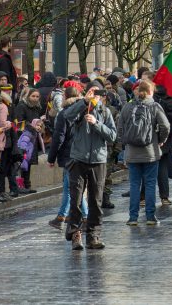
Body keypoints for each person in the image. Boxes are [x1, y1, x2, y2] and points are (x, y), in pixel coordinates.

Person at [60, 87, 117, 250]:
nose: (94, 99)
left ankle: (93, 236)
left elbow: (112, 136)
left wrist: (96, 123)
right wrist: (83, 102)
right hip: (78, 159)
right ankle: (76, 234)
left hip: (98, 160)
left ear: (102, 98)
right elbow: (67, 116)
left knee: (95, 200)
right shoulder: (80, 109)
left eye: (97, 96)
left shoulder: (105, 112)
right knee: (76, 199)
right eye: (92, 95)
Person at [117, 79, 170, 227]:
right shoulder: (154, 106)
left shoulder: (127, 107)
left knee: (134, 184)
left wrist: (125, 142)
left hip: (132, 152)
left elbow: (119, 127)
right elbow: (165, 125)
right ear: (149, 92)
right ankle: (150, 216)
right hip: (150, 151)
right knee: (150, 184)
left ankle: (133, 218)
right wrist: (160, 140)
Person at [46, 90, 87, 230]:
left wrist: (51, 157)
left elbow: (58, 138)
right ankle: (61, 217)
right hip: (81, 153)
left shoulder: (64, 114)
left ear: (65, 97)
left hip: (69, 155)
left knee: (72, 188)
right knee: (70, 187)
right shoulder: (85, 110)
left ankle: (81, 217)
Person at [155, 85, 172, 206]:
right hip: (167, 140)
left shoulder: (152, 102)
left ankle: (143, 197)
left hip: (152, 140)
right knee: (162, 169)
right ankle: (164, 196)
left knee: (146, 170)